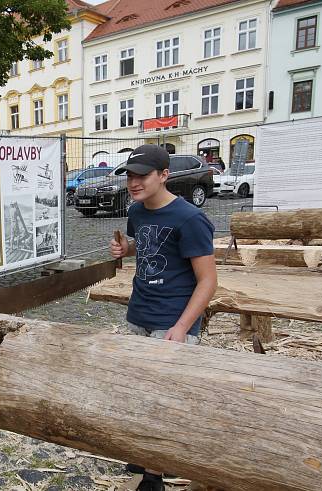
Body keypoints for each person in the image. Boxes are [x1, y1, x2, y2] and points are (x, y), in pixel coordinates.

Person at [108, 144, 217, 491]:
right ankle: (145, 452)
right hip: (139, 312)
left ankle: (155, 475)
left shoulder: (190, 219)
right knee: (137, 390)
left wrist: (182, 328)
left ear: (164, 175)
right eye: (130, 175)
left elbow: (209, 281)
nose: (134, 182)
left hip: (172, 320)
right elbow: (149, 244)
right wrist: (127, 249)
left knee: (162, 398)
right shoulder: (137, 212)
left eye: (142, 175)